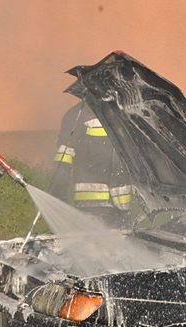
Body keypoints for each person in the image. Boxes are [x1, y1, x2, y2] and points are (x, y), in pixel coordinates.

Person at [49, 70, 134, 227]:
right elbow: (64, 158)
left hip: (122, 206)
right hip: (91, 204)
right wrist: (58, 195)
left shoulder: (124, 116)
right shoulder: (76, 115)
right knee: (92, 248)